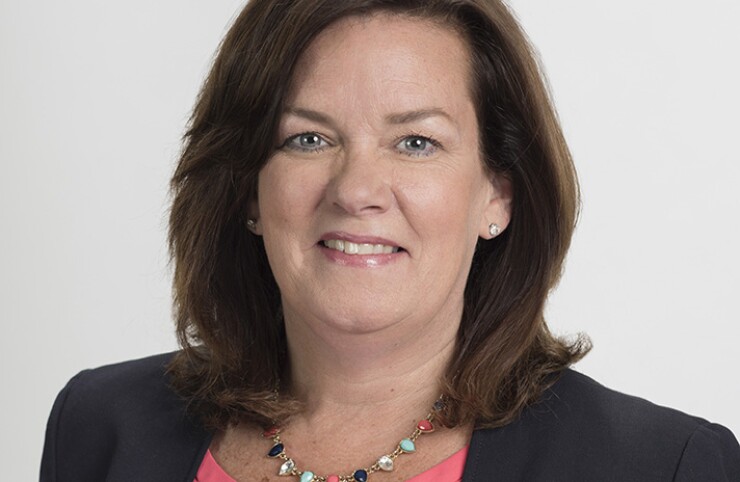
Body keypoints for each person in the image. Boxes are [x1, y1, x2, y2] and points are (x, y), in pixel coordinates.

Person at [40, 0, 740, 481]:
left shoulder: (664, 466)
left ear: (497, 194)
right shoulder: (99, 427)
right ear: (249, 189)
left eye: (416, 142)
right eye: (308, 139)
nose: (356, 189)